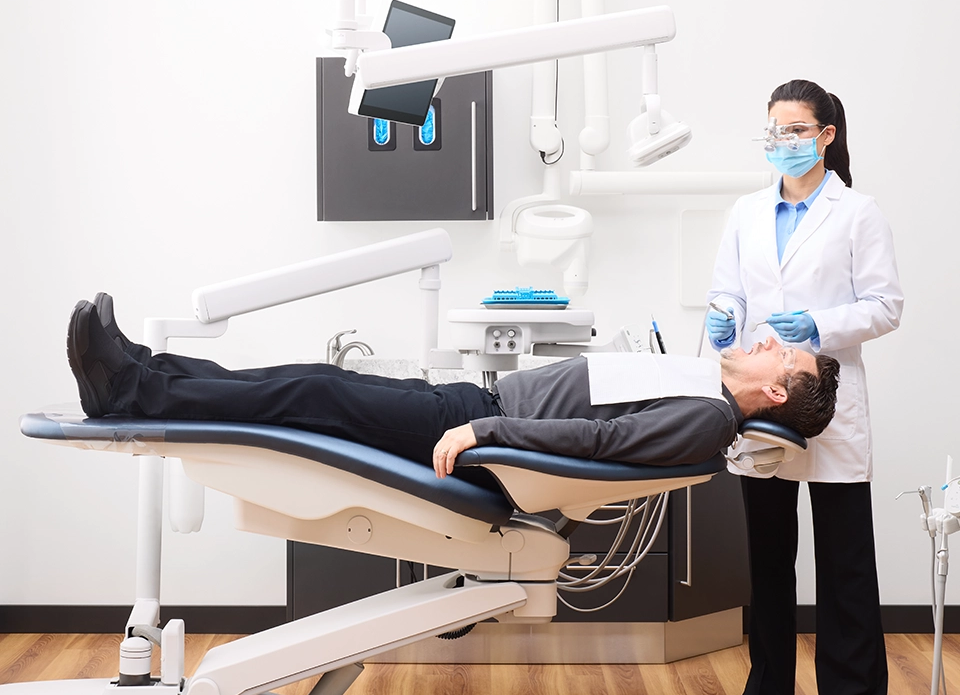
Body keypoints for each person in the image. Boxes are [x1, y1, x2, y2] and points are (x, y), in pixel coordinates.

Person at [67, 294, 839, 482]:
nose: (772, 342)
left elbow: (601, 443)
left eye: (786, 358)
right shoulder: (703, 377)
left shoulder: (707, 419)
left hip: (478, 418)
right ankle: (144, 373)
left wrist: (486, 433)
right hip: (475, 402)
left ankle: (131, 390)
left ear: (775, 396)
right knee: (314, 382)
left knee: (314, 395)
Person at [704, 80, 903, 695]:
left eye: (794, 131)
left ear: (826, 137)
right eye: (773, 131)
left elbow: (885, 305)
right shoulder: (747, 211)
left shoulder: (858, 213)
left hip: (828, 398)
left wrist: (819, 323)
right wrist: (723, 312)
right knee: (767, 556)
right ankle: (767, 694)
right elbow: (729, 285)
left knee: (845, 561)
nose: (781, 143)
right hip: (765, 395)